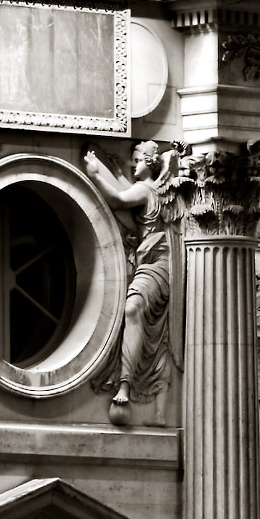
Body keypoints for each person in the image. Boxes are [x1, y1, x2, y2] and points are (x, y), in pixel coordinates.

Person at [84, 142, 183, 418]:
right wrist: (115, 170)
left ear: (150, 163)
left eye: (137, 160)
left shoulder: (146, 190)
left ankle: (125, 384)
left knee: (132, 308)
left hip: (158, 264)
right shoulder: (152, 190)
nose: (133, 164)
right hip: (153, 262)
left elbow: (119, 200)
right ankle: (127, 381)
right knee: (134, 310)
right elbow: (130, 192)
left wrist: (95, 174)